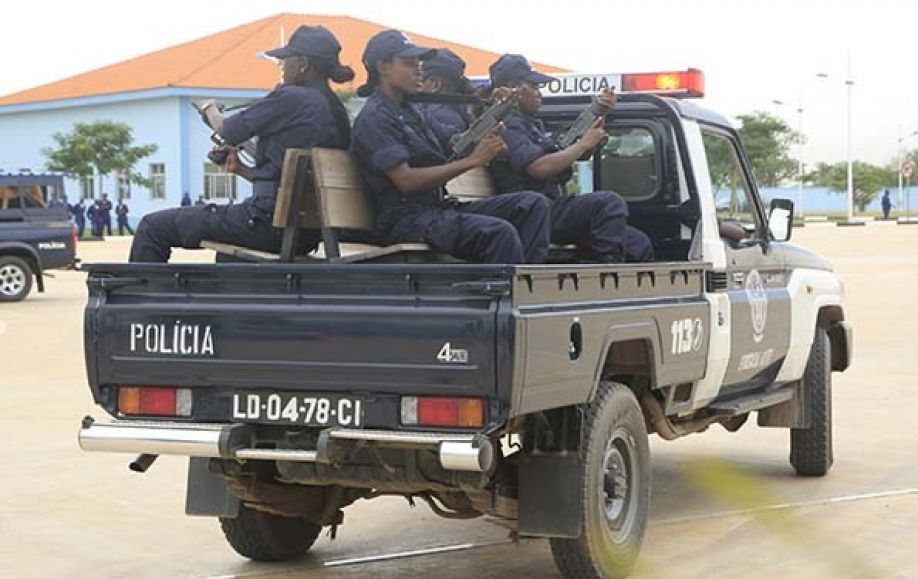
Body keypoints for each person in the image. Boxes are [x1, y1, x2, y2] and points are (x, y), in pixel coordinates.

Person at [130, 25, 353, 262]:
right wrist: (242, 170)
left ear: (303, 64)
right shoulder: (336, 110)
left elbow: (229, 130)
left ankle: (141, 297)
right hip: (307, 232)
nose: (282, 68)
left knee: (152, 227)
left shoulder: (293, 97)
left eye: (284, 61)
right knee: (227, 257)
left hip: (267, 222)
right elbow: (291, 181)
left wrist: (210, 109)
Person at [351, 30, 551, 264]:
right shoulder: (375, 117)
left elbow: (458, 143)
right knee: (499, 233)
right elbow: (406, 181)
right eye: (408, 63)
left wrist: (494, 116)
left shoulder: (412, 112)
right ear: (383, 67)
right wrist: (472, 161)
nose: (418, 69)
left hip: (436, 209)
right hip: (405, 220)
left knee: (533, 204)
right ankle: (504, 294)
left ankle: (526, 285)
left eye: (419, 64)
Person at [487, 54, 654, 263]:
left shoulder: (532, 124)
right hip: (531, 212)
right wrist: (583, 144)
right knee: (608, 203)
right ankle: (608, 273)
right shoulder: (506, 126)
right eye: (534, 86)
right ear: (513, 87)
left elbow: (566, 152)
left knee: (638, 244)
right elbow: (538, 168)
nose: (540, 94)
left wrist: (597, 120)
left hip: (551, 206)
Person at [420, 49, 474, 152]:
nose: (417, 86)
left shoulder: (435, 114)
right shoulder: (458, 109)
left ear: (435, 84)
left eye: (420, 81)